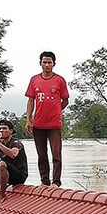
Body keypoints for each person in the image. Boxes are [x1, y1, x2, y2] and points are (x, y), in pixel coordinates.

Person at [25, 51, 69, 187]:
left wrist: (56, 110)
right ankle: (44, 181)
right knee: (41, 155)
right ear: (40, 64)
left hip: (54, 124)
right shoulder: (34, 80)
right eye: (44, 62)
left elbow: (66, 100)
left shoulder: (59, 80)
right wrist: (28, 120)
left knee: (56, 154)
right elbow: (31, 101)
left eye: (49, 62)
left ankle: (56, 182)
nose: (47, 65)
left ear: (54, 64)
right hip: (38, 123)